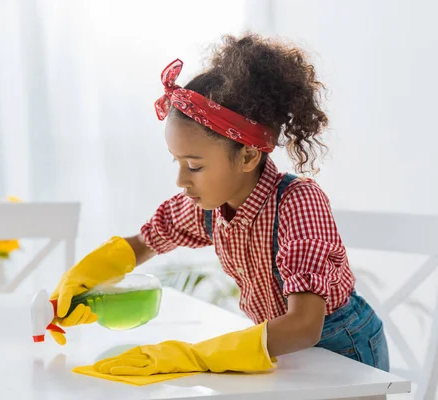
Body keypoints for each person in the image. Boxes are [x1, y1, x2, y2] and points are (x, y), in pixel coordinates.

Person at [48, 32, 390, 375]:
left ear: (248, 155)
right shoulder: (209, 208)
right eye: (177, 162)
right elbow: (147, 241)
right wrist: (85, 281)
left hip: (342, 354)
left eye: (194, 166)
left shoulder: (298, 203)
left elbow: (303, 325)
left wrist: (197, 356)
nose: (181, 180)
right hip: (282, 351)